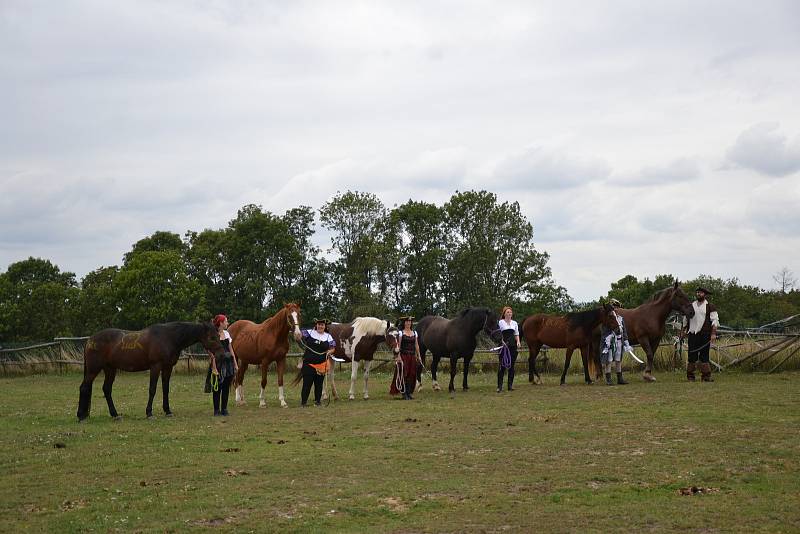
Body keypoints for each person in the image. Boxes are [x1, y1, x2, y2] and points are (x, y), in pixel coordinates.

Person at [294, 318, 336, 406]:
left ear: (325, 326)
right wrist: (297, 333)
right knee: (307, 384)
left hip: (321, 364)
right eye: (319, 324)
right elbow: (298, 336)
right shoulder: (309, 332)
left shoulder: (328, 337)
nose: (320, 326)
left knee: (319, 384)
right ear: (316, 325)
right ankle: (303, 403)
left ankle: (318, 402)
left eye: (322, 325)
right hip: (308, 363)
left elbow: (333, 348)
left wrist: (330, 351)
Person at [681, 287, 719, 382]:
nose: (698, 294)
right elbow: (685, 319)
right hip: (692, 334)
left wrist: (713, 334)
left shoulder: (710, 306)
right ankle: (690, 377)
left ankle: (706, 377)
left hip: (705, 334)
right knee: (691, 356)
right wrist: (683, 331)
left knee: (704, 356)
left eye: (700, 293)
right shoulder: (690, 305)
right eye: (697, 292)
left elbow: (714, 321)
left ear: (705, 294)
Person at [209, 314, 238, 416]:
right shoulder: (213, 335)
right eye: (226, 321)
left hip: (228, 363)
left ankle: (224, 409)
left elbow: (231, 349)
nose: (227, 323)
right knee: (218, 387)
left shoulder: (226, 334)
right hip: (218, 363)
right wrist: (213, 366)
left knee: (226, 386)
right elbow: (211, 352)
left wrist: (235, 363)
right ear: (221, 323)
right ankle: (216, 410)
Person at [390, 315, 421, 400]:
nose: (408, 323)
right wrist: (398, 356)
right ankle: (404, 393)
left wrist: (419, 356)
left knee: (412, 374)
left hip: (412, 356)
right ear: (404, 323)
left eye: (410, 322)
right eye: (407, 322)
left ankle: (408, 392)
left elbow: (417, 345)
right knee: (404, 374)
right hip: (404, 356)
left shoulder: (414, 333)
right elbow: (398, 345)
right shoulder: (400, 333)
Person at [601, 298, 630, 385]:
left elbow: (623, 331)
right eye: (614, 307)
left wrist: (626, 341)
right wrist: (608, 338)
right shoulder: (607, 319)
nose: (616, 309)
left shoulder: (621, 319)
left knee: (618, 359)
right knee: (609, 360)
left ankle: (620, 379)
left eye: (617, 307)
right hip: (610, 342)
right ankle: (608, 379)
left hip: (619, 341)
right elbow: (604, 331)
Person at [496, 307, 521, 392]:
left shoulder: (514, 323)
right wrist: (501, 341)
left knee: (511, 366)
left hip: (513, 346)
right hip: (503, 346)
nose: (509, 313)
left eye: (510, 312)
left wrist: (518, 342)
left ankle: (510, 385)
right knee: (502, 366)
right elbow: (498, 333)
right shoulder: (500, 322)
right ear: (504, 314)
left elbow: (516, 334)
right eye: (507, 312)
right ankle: (499, 386)